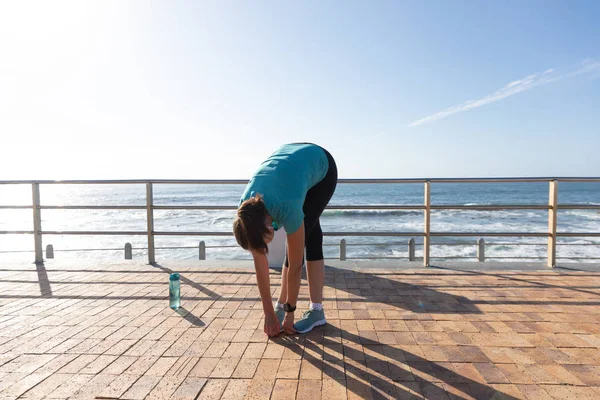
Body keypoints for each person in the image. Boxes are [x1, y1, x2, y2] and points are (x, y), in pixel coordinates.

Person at [233, 143, 338, 337]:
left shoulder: (286, 207)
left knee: (307, 236)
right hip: (292, 168)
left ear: (267, 225)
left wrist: (290, 312)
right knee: (307, 229)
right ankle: (281, 304)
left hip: (322, 167)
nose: (266, 248)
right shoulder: (246, 212)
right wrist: (268, 313)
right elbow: (260, 265)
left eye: (265, 244)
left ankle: (316, 311)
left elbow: (296, 265)